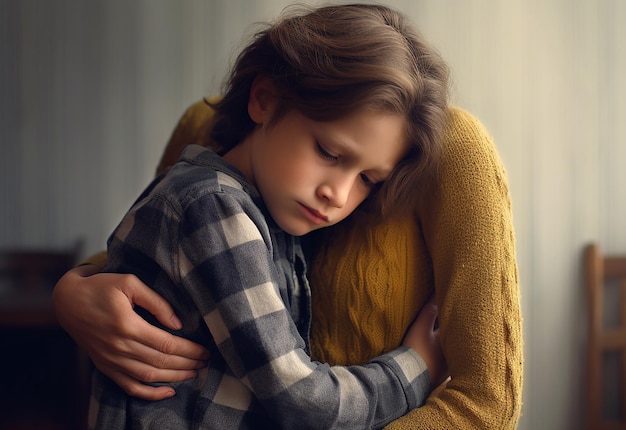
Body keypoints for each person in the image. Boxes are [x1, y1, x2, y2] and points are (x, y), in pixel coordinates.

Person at [55, 5, 524, 430]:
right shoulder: (215, 208)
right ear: (264, 99)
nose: (337, 195)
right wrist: (418, 364)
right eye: (328, 151)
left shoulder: (276, 209)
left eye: (369, 180)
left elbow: (488, 401)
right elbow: (303, 401)